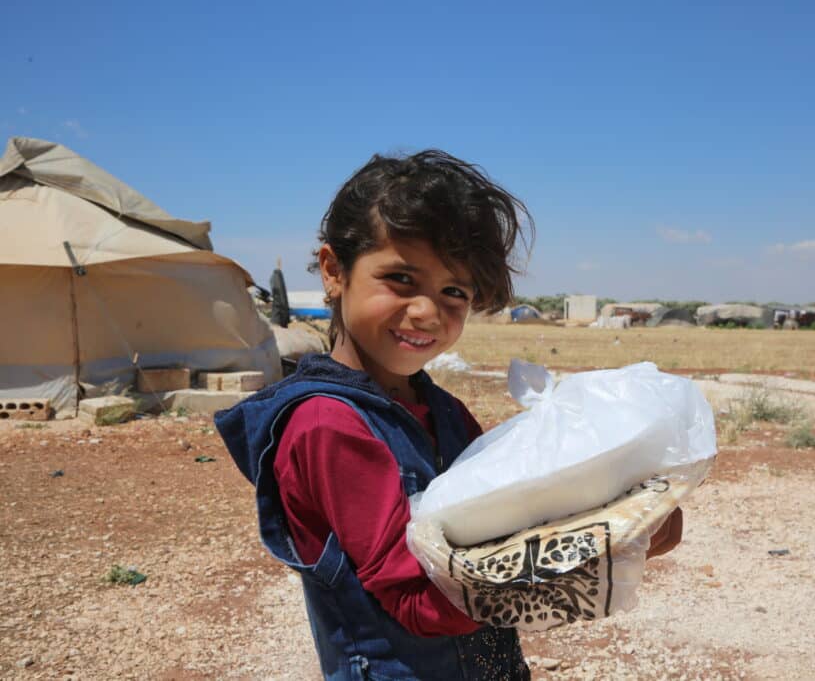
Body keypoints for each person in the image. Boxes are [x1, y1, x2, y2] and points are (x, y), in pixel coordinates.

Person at [215, 150, 682, 680]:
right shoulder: (327, 425)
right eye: (400, 279)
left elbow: (511, 522)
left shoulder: (447, 413)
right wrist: (591, 563)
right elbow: (416, 598)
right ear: (333, 271)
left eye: (453, 291)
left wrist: (620, 513)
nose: (427, 312)